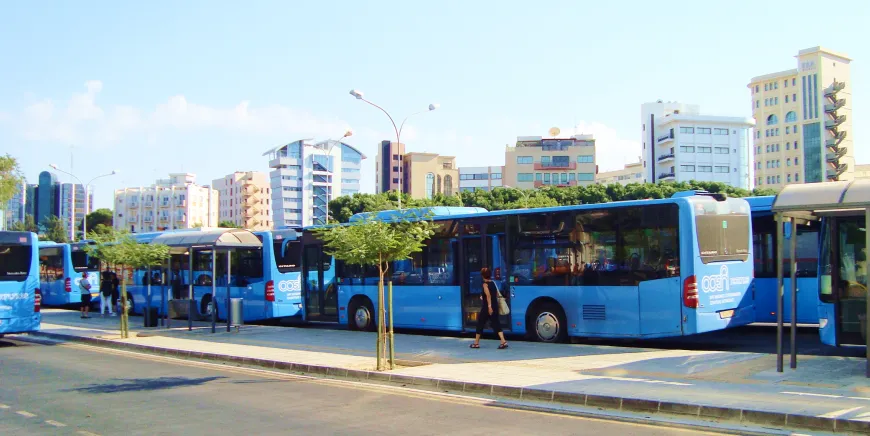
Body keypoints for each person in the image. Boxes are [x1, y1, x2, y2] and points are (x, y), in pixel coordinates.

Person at [470, 267, 508, 349]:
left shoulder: (485, 284)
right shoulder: (493, 283)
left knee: (480, 323)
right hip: (495, 306)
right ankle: (503, 341)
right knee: (496, 323)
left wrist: (489, 307)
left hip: (487, 307)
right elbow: (496, 295)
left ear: (483, 276)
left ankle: (476, 343)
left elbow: (488, 296)